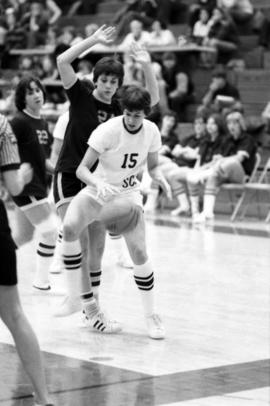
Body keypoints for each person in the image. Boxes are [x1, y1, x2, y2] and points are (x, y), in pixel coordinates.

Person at [53, 25, 159, 319]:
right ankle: (77, 297)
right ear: (95, 80)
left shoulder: (119, 107)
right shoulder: (81, 94)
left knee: (97, 249)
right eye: (104, 80)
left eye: (114, 81)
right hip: (71, 175)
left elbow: (153, 99)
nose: (109, 85)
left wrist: (147, 65)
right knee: (79, 240)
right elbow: (63, 61)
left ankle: (92, 309)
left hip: (100, 184)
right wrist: (93, 41)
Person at [61, 84, 171, 338]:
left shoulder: (152, 131)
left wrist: (159, 177)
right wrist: (98, 183)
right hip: (99, 189)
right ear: (123, 111)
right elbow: (82, 169)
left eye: (138, 115)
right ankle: (79, 298)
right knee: (69, 228)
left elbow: (153, 166)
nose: (133, 120)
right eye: (129, 114)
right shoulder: (107, 130)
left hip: (128, 194)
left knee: (140, 252)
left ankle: (151, 315)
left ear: (146, 113)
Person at [0, 113, 54, 406]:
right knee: (15, 315)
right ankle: (44, 398)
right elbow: (14, 186)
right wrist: (21, 176)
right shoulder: (2, 125)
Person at [9, 75, 58, 291]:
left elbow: (44, 159)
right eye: (30, 92)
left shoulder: (43, 122)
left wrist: (62, 171)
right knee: (50, 231)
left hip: (39, 184)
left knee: (24, 236)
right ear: (22, 98)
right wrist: (13, 173)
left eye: (38, 90)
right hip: (26, 187)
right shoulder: (18, 122)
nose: (36, 94)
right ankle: (41, 282)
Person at [198, 111, 257, 222]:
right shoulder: (227, 140)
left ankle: (211, 172)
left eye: (235, 123)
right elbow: (219, 158)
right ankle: (207, 213)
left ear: (241, 124)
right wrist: (203, 167)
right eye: (229, 124)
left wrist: (220, 160)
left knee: (232, 163)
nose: (231, 126)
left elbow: (239, 159)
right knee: (213, 177)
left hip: (242, 176)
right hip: (223, 172)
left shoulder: (248, 139)